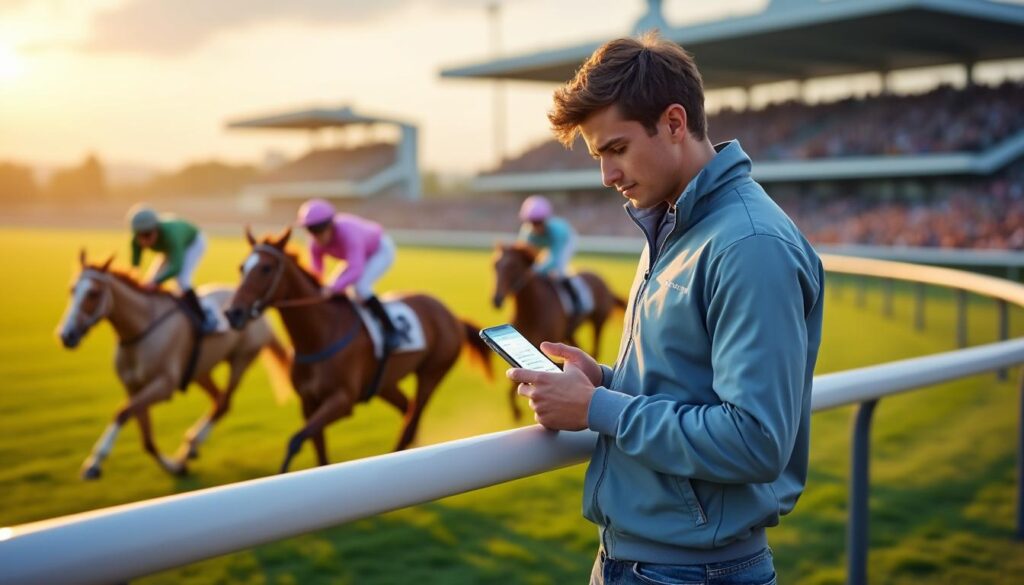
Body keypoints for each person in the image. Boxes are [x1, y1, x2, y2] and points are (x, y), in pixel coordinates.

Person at [506, 32, 824, 585]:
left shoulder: (749, 244)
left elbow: (755, 440)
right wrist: (602, 380)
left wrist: (597, 408)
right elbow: (686, 383)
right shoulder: (675, 221)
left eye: (616, 149)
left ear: (674, 124)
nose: (606, 176)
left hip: (692, 571)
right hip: (642, 561)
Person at [295, 198, 399, 352]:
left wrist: (331, 288)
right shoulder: (314, 243)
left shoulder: (348, 233)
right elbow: (316, 272)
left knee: (360, 287)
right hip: (358, 256)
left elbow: (355, 270)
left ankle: (391, 330)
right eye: (311, 231)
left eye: (321, 229)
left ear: (331, 224)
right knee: (333, 285)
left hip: (379, 250)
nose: (318, 236)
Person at [128, 204, 214, 333]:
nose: (145, 240)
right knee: (150, 279)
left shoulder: (171, 235)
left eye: (148, 234)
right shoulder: (136, 241)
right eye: (141, 235)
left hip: (192, 243)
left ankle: (204, 318)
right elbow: (135, 267)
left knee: (182, 280)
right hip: (168, 249)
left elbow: (176, 267)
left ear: (157, 229)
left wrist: (156, 281)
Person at [517, 194, 583, 316]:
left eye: (539, 222)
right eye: (532, 222)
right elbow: (523, 253)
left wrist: (536, 270)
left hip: (566, 241)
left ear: (546, 220)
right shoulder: (526, 232)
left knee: (559, 271)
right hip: (548, 245)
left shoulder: (556, 231)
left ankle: (577, 300)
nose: (535, 226)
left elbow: (555, 258)